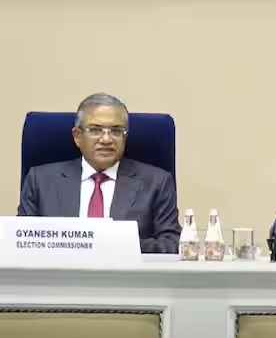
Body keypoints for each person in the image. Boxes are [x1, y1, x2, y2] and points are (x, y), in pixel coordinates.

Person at [17, 93, 181, 254]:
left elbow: (172, 244)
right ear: (77, 136)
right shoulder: (40, 180)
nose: (106, 139)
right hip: (59, 270)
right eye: (95, 130)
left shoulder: (157, 182)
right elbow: (20, 241)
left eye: (116, 131)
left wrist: (118, 245)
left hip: (125, 271)